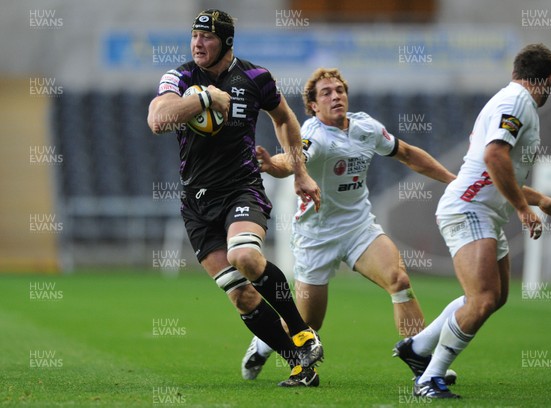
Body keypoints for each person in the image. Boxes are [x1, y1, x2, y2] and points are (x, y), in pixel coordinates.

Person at [240, 68, 456, 381]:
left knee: (399, 281)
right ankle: (262, 344)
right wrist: (273, 165)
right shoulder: (313, 135)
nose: (335, 96)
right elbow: (291, 161)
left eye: (339, 90)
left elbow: (407, 154)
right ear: (313, 105)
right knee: (309, 322)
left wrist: (451, 180)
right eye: (326, 93)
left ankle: (422, 361)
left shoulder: (366, 126)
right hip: (316, 236)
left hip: (359, 228)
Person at [147, 9, 324, 387]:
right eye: (194, 36)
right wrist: (206, 99)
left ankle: (302, 332)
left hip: (242, 188)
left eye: (207, 37)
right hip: (195, 202)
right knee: (241, 296)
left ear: (227, 42)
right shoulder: (180, 77)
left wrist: (299, 171)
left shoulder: (256, 77)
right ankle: (299, 363)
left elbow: (285, 119)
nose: (198, 43)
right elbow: (158, 119)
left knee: (244, 255)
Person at [394, 43, 551, 399]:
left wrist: (540, 201)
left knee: (496, 296)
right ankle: (430, 378)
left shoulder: (508, 100)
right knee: (482, 299)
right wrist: (524, 208)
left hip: (484, 210)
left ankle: (417, 348)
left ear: (516, 72)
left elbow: (494, 167)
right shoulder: (518, 102)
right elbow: (495, 156)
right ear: (549, 79)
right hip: (469, 208)